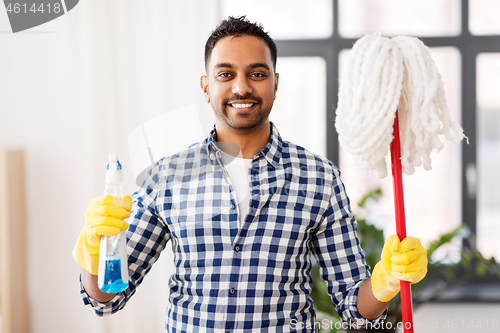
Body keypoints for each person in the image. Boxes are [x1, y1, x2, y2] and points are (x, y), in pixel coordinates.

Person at [73, 16, 428, 332]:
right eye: (225, 74)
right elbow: (107, 297)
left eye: (256, 74)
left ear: (275, 82)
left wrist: (386, 280)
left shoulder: (319, 178)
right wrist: (95, 250)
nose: (241, 87)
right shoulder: (167, 176)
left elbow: (355, 309)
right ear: (206, 85)